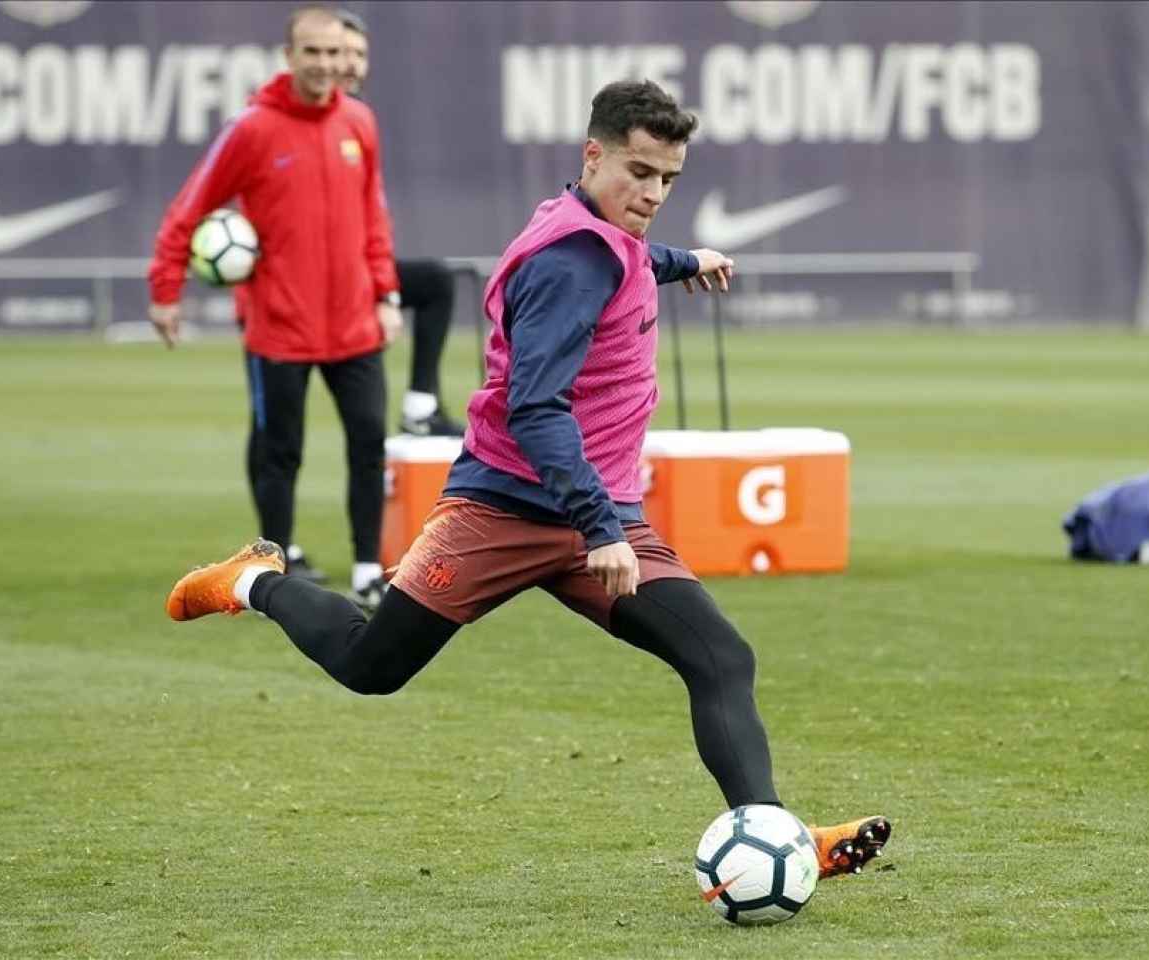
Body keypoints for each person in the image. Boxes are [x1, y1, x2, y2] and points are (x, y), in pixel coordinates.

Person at [164, 79, 892, 876]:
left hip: (594, 511)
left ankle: (778, 841)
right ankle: (253, 581)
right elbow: (535, 407)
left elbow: (629, 256)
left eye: (668, 179)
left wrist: (686, 260)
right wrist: (601, 526)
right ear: (594, 153)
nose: (652, 194)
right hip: (504, 509)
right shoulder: (569, 266)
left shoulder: (593, 228)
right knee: (371, 666)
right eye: (639, 172)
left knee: (720, 659)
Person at [148, 4, 403, 609]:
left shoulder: (360, 123)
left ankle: (368, 568)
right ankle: (272, 569)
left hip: (355, 325)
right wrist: (165, 291)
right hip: (279, 329)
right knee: (277, 451)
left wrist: (386, 292)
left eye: (333, 53)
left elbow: (374, 217)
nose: (324, 64)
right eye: (311, 52)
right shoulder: (252, 130)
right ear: (288, 58)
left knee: (369, 444)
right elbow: (189, 208)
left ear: (347, 57)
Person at [335, 8, 463, 437]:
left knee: (435, 282)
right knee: (282, 435)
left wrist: (383, 287)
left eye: (359, 54)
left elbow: (369, 210)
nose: (351, 63)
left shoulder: (358, 117)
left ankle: (420, 408)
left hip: (360, 273)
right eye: (341, 52)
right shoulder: (290, 122)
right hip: (318, 282)